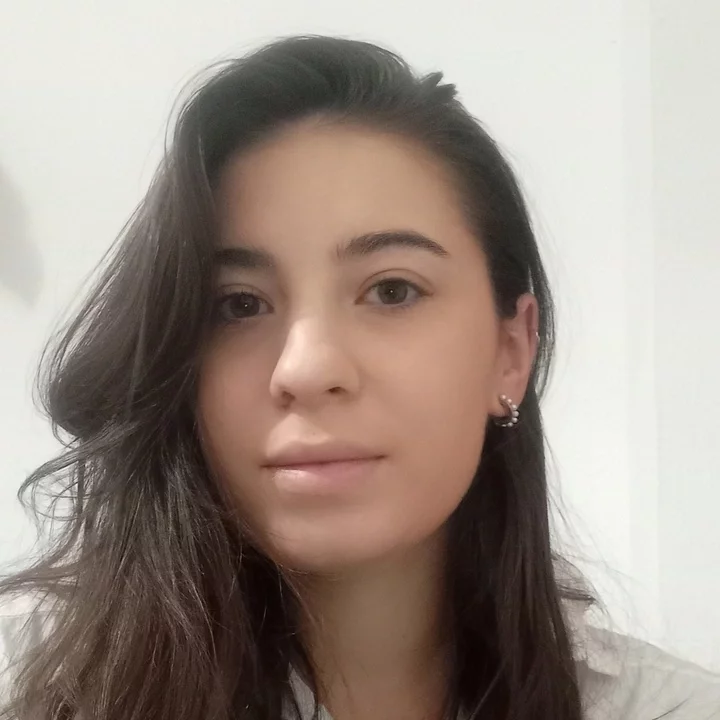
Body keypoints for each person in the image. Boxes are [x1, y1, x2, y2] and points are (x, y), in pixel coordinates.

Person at [0, 34, 718, 720]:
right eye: (238, 304)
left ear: (511, 350)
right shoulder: (35, 688)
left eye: (392, 290)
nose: (306, 369)